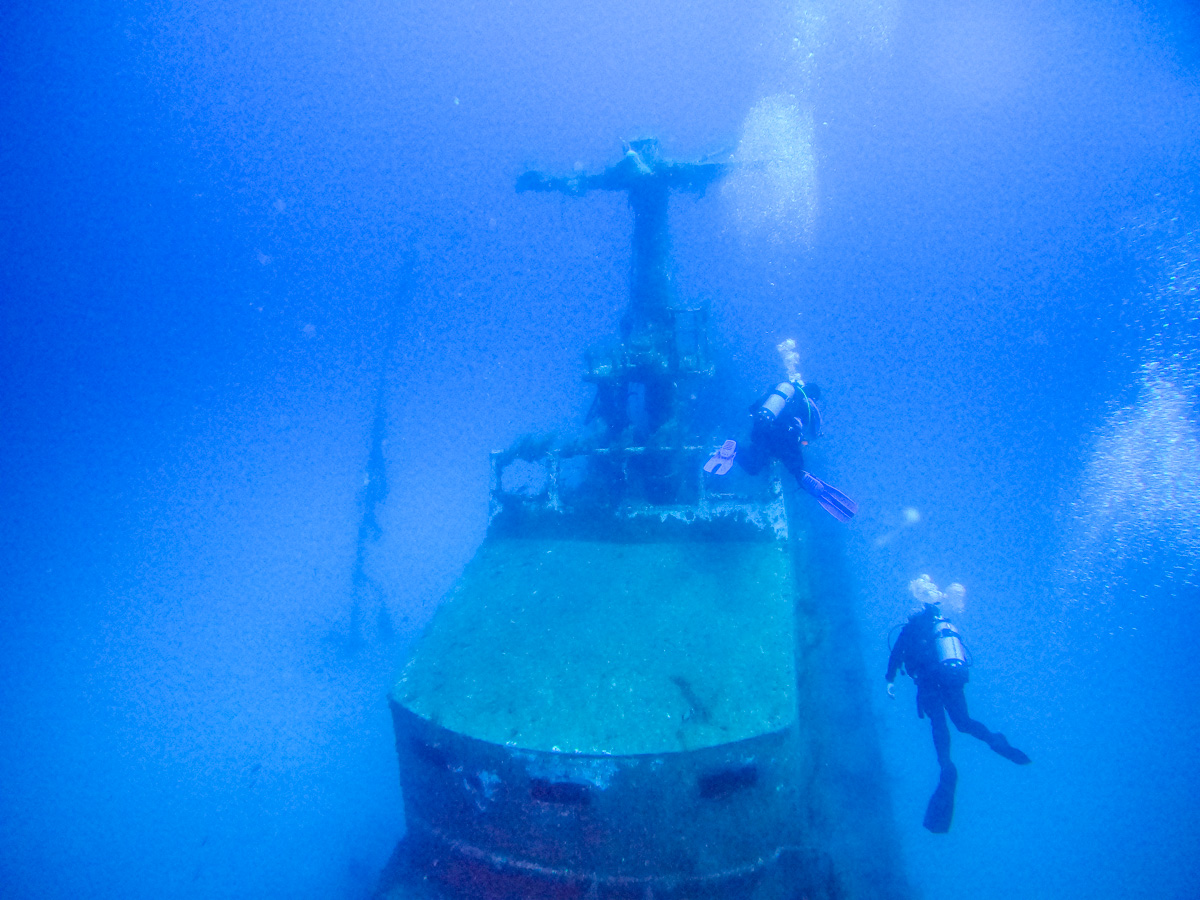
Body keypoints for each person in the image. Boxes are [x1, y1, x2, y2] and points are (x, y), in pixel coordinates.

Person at [886, 575, 1031, 833]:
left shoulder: (910, 628)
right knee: (963, 722)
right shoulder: (944, 625)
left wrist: (890, 680)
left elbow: (897, 654)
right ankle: (994, 739)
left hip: (928, 682)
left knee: (938, 724)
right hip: (952, 677)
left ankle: (946, 766)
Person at [704, 366, 857, 522]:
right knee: (794, 464)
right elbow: (814, 432)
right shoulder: (808, 403)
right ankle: (802, 477)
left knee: (754, 466)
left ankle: (735, 448)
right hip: (785, 436)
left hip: (761, 429)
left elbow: (753, 408)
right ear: (814, 396)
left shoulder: (778, 392)